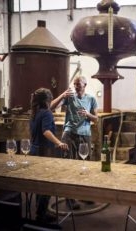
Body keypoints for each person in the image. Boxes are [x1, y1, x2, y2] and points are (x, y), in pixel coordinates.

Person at [51, 76, 98, 209]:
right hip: (69, 133)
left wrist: (87, 114)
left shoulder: (91, 99)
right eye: (75, 84)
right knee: (68, 165)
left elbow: (96, 119)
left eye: (79, 84)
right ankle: (70, 200)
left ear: (85, 85)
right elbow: (51, 107)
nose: (77, 86)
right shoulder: (69, 97)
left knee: (85, 165)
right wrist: (62, 95)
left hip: (85, 135)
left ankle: (84, 195)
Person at [29, 88, 69, 223]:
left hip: (34, 151)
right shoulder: (46, 113)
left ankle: (40, 212)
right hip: (44, 152)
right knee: (46, 184)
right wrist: (59, 143)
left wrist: (62, 95)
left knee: (39, 185)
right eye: (50, 99)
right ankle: (41, 216)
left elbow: (49, 107)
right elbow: (46, 131)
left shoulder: (35, 112)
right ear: (47, 100)